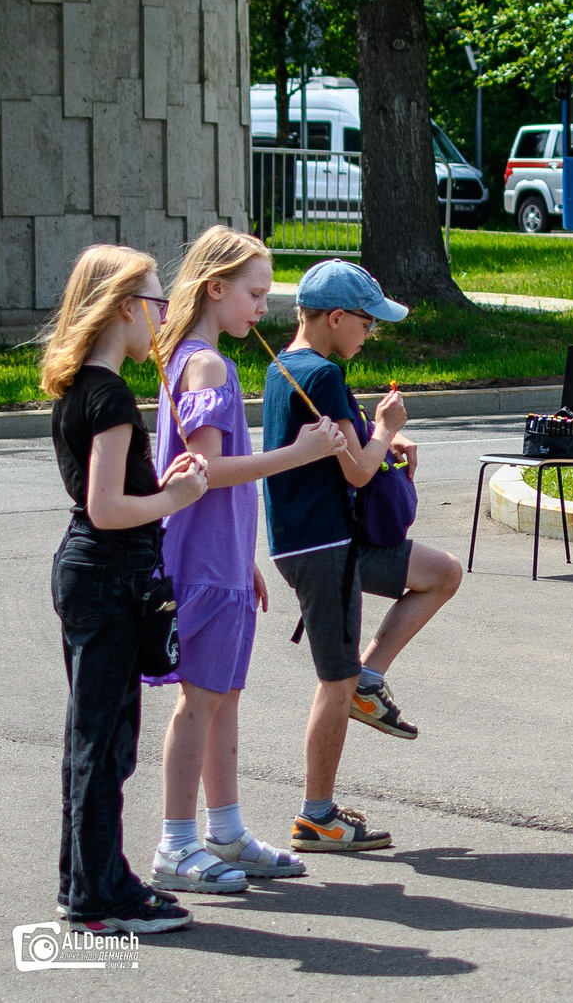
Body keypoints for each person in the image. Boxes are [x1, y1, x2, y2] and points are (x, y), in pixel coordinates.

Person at [148, 228, 347, 895]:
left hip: (220, 559)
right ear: (216, 288)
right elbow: (204, 470)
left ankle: (224, 829)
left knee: (223, 697)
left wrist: (244, 557)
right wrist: (301, 452)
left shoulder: (201, 359)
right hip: (203, 562)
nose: (263, 307)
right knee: (200, 701)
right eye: (255, 293)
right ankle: (177, 843)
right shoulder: (205, 364)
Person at [261, 261, 463, 854]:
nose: (369, 335)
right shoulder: (320, 375)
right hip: (324, 547)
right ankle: (316, 816)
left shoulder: (286, 367)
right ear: (336, 317)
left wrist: (378, 441)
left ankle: (368, 680)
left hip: (327, 542)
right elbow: (356, 467)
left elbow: (347, 457)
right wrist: (386, 426)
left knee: (440, 573)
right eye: (367, 324)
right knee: (333, 681)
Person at [45, 245, 207, 936]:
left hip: (91, 572)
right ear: (122, 307)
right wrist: (176, 494)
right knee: (102, 739)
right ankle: (96, 895)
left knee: (97, 735)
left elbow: (107, 493)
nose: (163, 314)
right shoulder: (110, 394)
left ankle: (91, 880)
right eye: (155, 300)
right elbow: (105, 506)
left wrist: (161, 477)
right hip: (107, 572)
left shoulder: (82, 385)